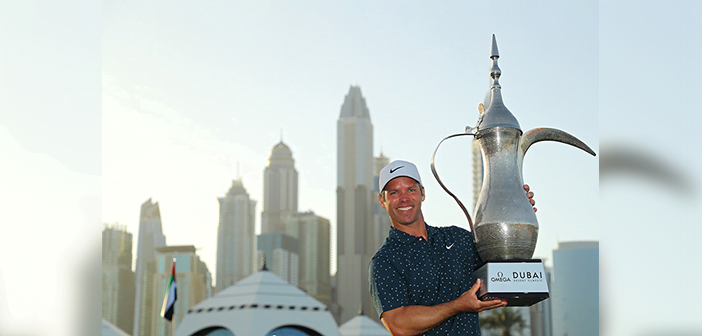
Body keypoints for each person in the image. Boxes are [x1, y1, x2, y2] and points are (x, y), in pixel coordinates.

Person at [369, 160, 536, 335]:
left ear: (422, 193)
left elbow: (503, 265)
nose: (404, 199)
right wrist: (458, 305)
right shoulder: (384, 261)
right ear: (382, 200)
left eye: (411, 190)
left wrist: (515, 211)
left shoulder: (458, 238)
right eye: (394, 192)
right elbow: (398, 324)